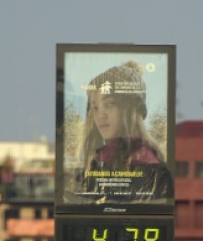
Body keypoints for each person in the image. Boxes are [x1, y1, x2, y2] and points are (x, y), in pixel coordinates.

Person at [72, 60, 172, 205]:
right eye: (95, 108)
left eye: (110, 104)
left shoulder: (153, 167)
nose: (101, 115)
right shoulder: (95, 161)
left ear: (134, 108)